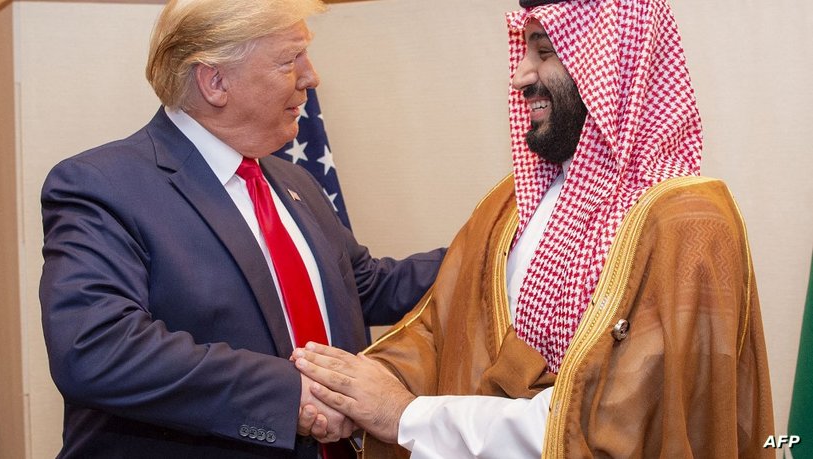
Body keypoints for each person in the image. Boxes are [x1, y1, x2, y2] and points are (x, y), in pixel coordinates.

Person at [291, 0, 775, 457]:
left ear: (610, 66)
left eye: (543, 52)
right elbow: (441, 330)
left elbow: (620, 426)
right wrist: (352, 390)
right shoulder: (510, 202)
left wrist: (407, 416)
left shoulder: (689, 226)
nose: (520, 75)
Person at [38, 0, 444, 457]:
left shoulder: (293, 181)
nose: (311, 77)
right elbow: (96, 349)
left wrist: (499, 244)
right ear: (215, 81)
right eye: (290, 60)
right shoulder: (103, 185)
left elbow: (367, 285)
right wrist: (290, 396)